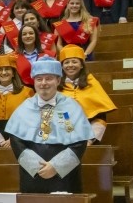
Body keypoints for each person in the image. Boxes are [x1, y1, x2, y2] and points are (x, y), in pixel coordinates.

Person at [6, 58, 94, 193]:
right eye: (39, 79)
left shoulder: (72, 107)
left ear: (58, 81)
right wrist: (37, 166)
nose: (43, 83)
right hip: (32, 175)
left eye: (49, 78)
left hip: (65, 176)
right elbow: (16, 142)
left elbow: (79, 143)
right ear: (34, 82)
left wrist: (56, 166)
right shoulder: (24, 108)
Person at [58, 45, 117, 142]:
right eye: (66, 62)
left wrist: (89, 141)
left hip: (88, 133)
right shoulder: (56, 85)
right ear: (62, 66)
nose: (70, 65)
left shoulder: (91, 83)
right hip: (63, 131)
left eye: (74, 61)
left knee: (99, 122)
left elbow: (100, 115)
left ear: (81, 65)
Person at [0, 55, 34, 146]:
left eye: (7, 69)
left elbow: (30, 120)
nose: (4, 72)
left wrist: (13, 140)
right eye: (0, 70)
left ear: (13, 73)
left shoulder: (27, 92)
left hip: (20, 138)